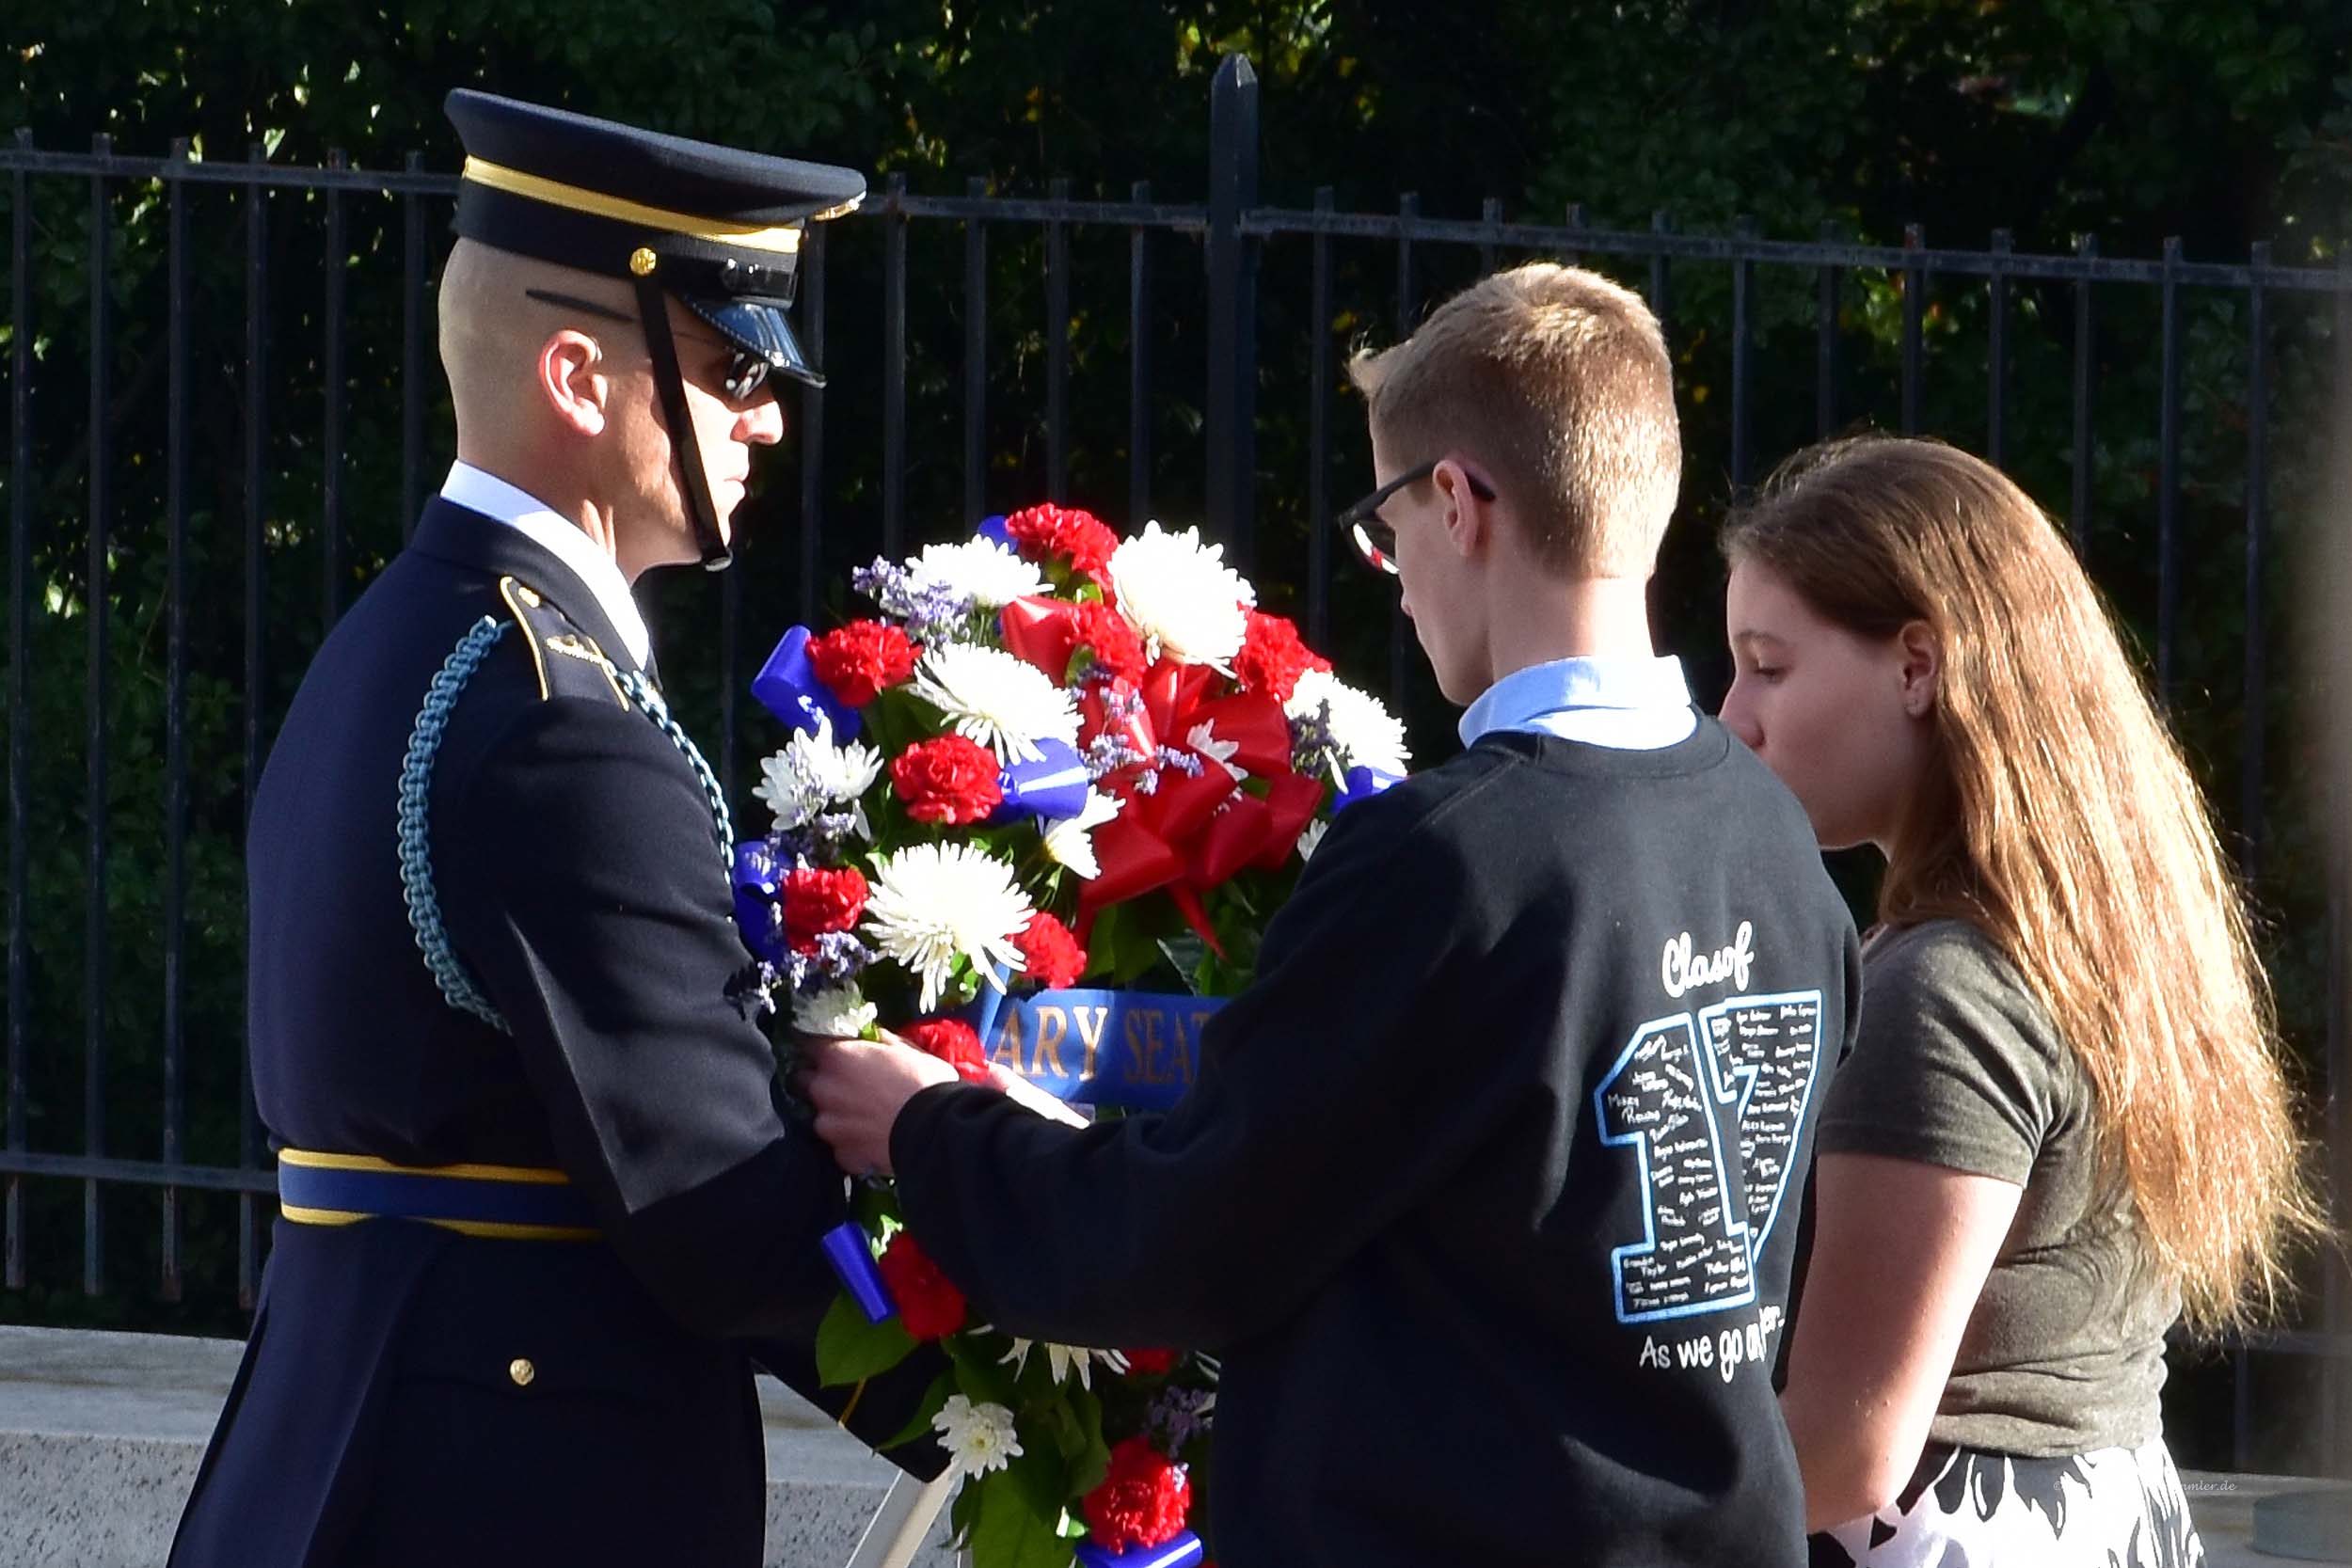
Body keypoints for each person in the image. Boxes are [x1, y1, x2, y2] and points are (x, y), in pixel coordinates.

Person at [803, 261, 1863, 1568]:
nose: (1395, 575)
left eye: (1387, 522)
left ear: (1458, 502)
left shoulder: (1446, 860)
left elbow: (1195, 1237)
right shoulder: (1774, 835)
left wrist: (927, 1128)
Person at [168, 91, 941, 1568]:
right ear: (582, 375)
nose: (768, 411)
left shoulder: (401, 637)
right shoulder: (557, 724)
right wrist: (1071, 1370)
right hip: (509, 1495)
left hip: (355, 1454)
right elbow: (727, 1218)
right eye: (731, 367)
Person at [1718, 435, 2321, 1566]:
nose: (1733, 712)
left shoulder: (1947, 989)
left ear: (1916, 664)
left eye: (1769, 663)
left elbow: (1843, 1451)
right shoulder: (2086, 936)